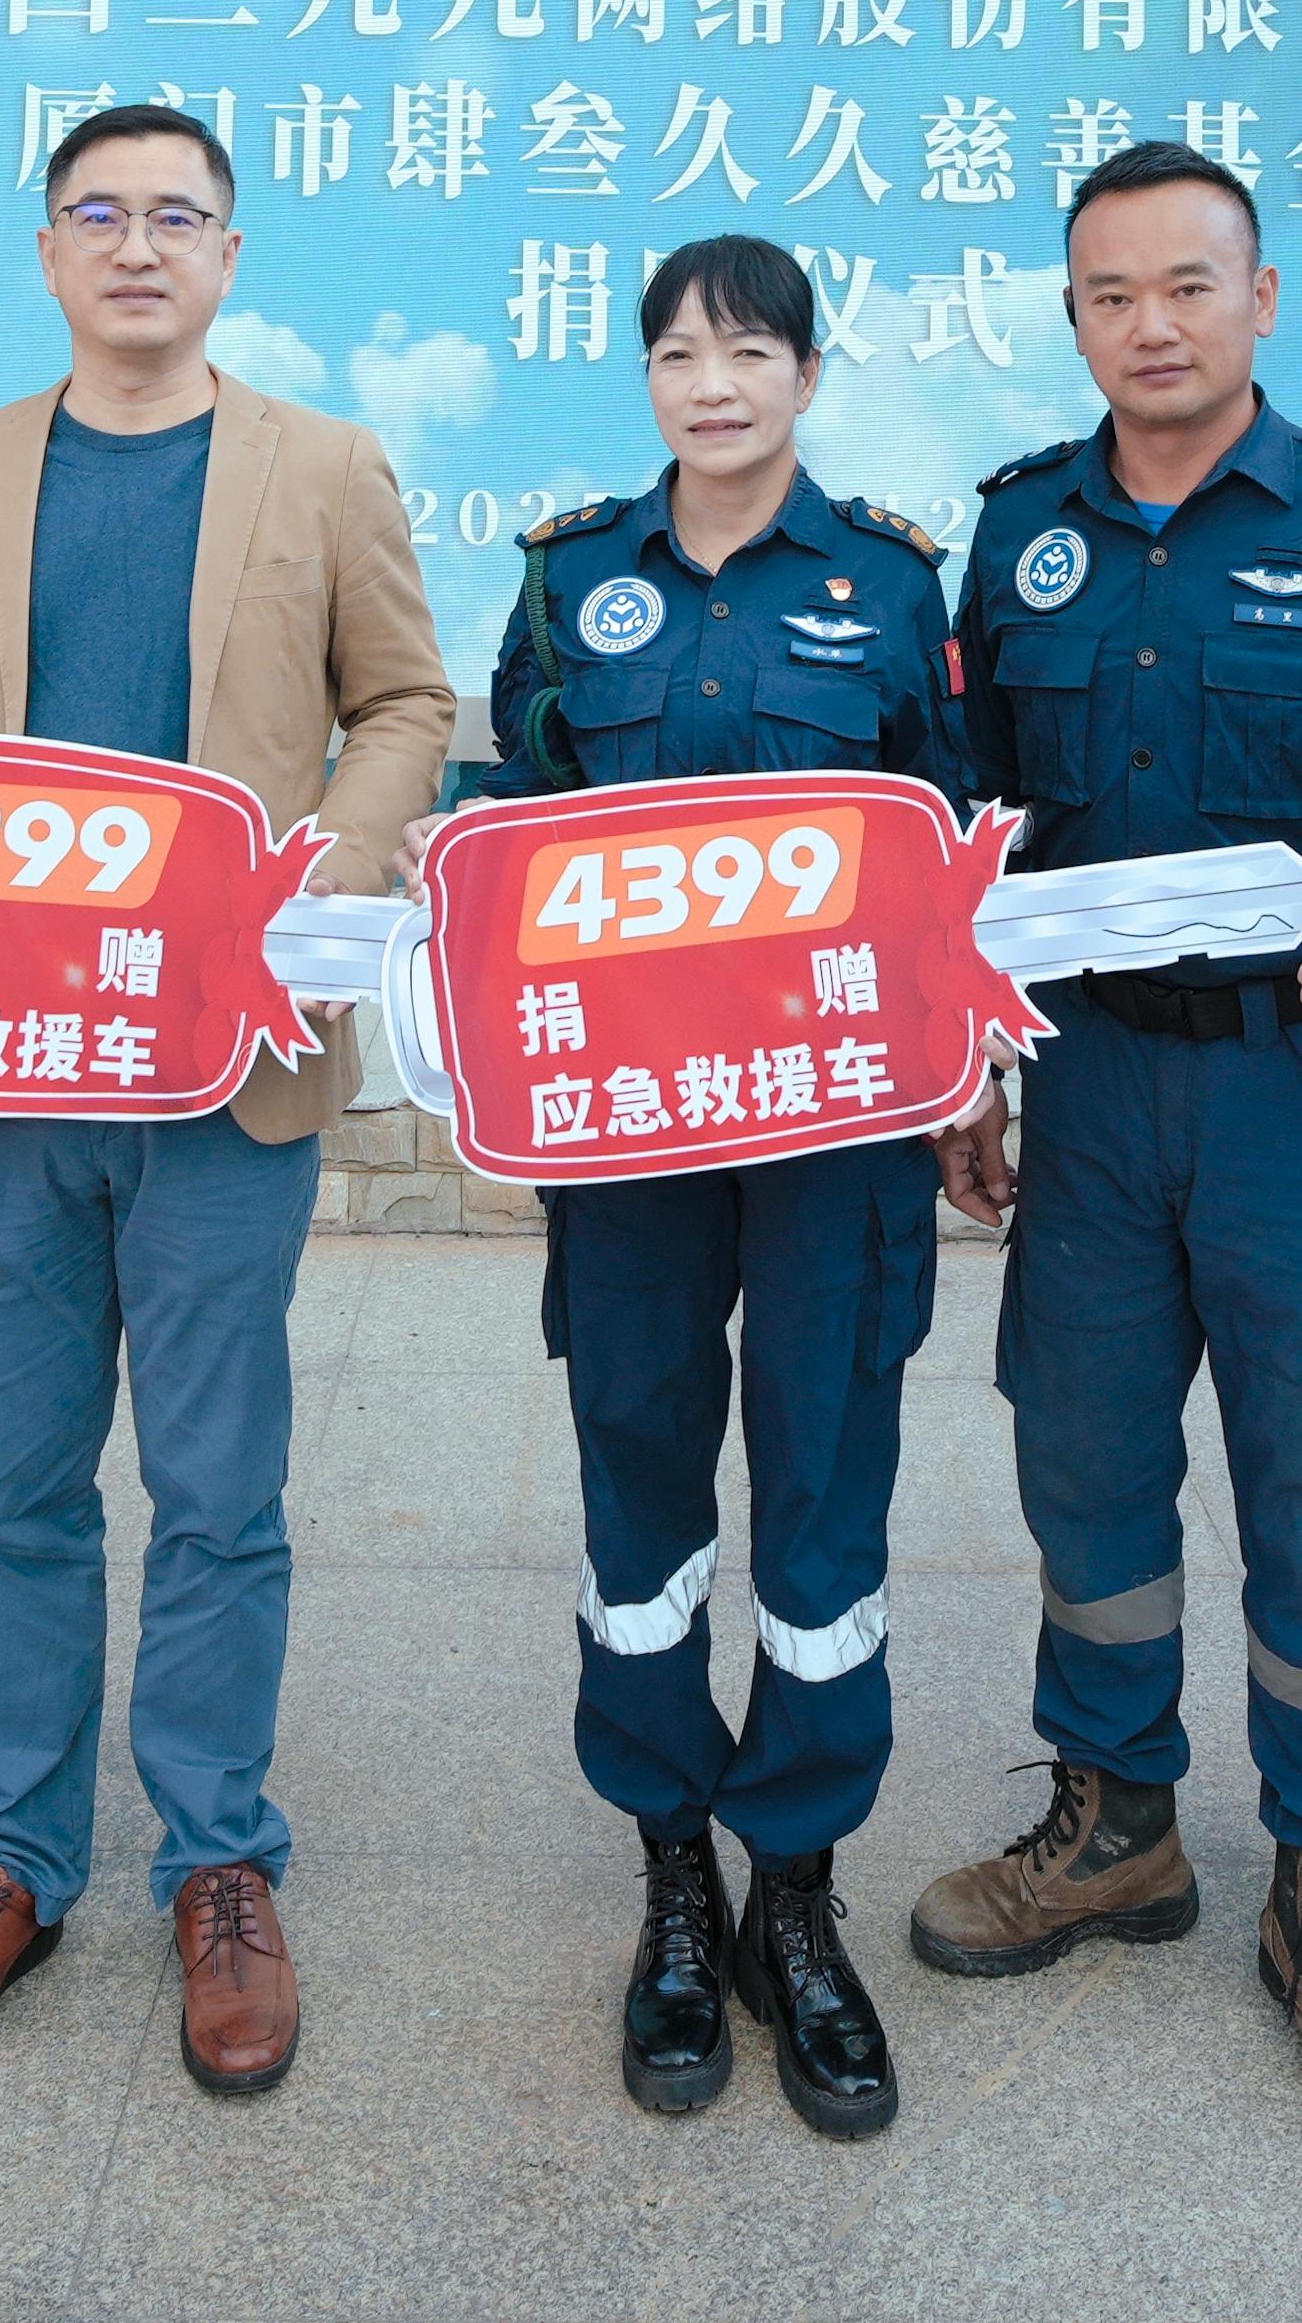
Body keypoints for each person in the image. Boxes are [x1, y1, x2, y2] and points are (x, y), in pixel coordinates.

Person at [905, 141, 1302, 2164]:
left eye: (1190, 285)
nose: (1152, 325)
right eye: (1111, 294)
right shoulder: (1021, 534)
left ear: (1262, 300)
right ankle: (1114, 1823)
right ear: (1072, 317)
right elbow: (963, 830)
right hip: (1096, 1092)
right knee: (1085, 1464)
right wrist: (965, 1056)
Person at [0, 102, 456, 2110]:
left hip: (225, 1079)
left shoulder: (323, 466)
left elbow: (406, 704)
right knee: (12, 1495)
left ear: (228, 253)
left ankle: (218, 1863)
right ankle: (7, 1866)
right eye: (95, 214)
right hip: (3, 1077)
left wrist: (320, 879)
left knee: (216, 1493)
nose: (134, 245)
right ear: (46, 253)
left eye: (174, 216)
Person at [485, 236, 962, 2142]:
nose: (713, 383)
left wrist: (969, 1079)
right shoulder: (566, 579)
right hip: (633, 1138)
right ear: (646, 378)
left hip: (836, 1132)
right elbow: (508, 830)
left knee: (826, 1490)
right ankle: (676, 1875)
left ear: (808, 375)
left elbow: (955, 848)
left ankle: (801, 1891)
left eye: (750, 351)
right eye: (678, 352)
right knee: (642, 1478)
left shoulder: (892, 586)